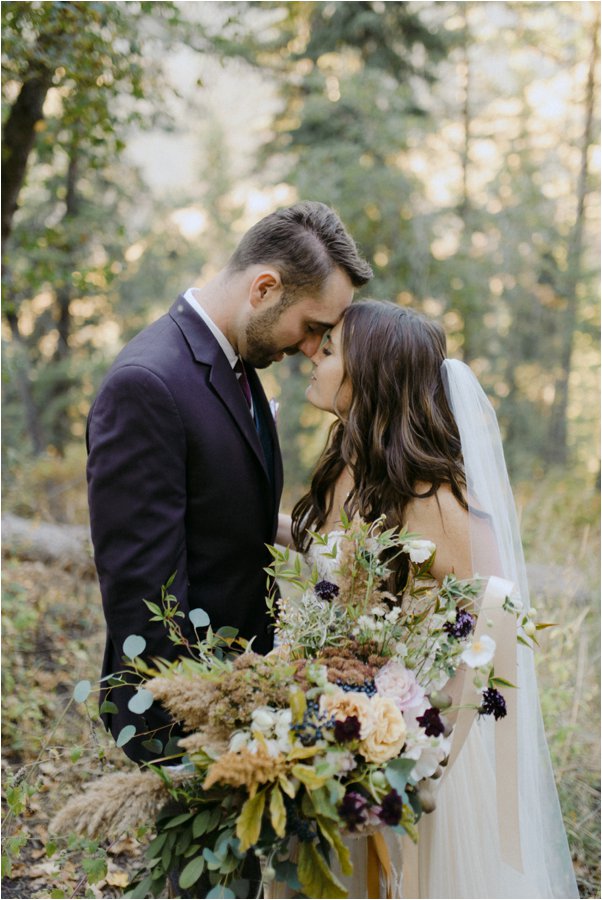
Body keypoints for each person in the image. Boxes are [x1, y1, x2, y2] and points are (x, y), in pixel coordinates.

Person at [276, 299, 578, 898]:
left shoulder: (437, 498)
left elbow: (498, 612)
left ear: (370, 375)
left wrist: (425, 725)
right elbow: (332, 554)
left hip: (412, 740)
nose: (312, 354)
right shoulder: (346, 464)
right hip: (330, 718)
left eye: (330, 349)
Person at [86, 201, 373, 767]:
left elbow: (228, 518)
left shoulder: (236, 364)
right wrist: (196, 719)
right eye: (313, 327)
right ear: (264, 288)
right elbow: (143, 591)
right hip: (183, 712)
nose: (314, 348)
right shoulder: (147, 384)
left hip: (240, 696)